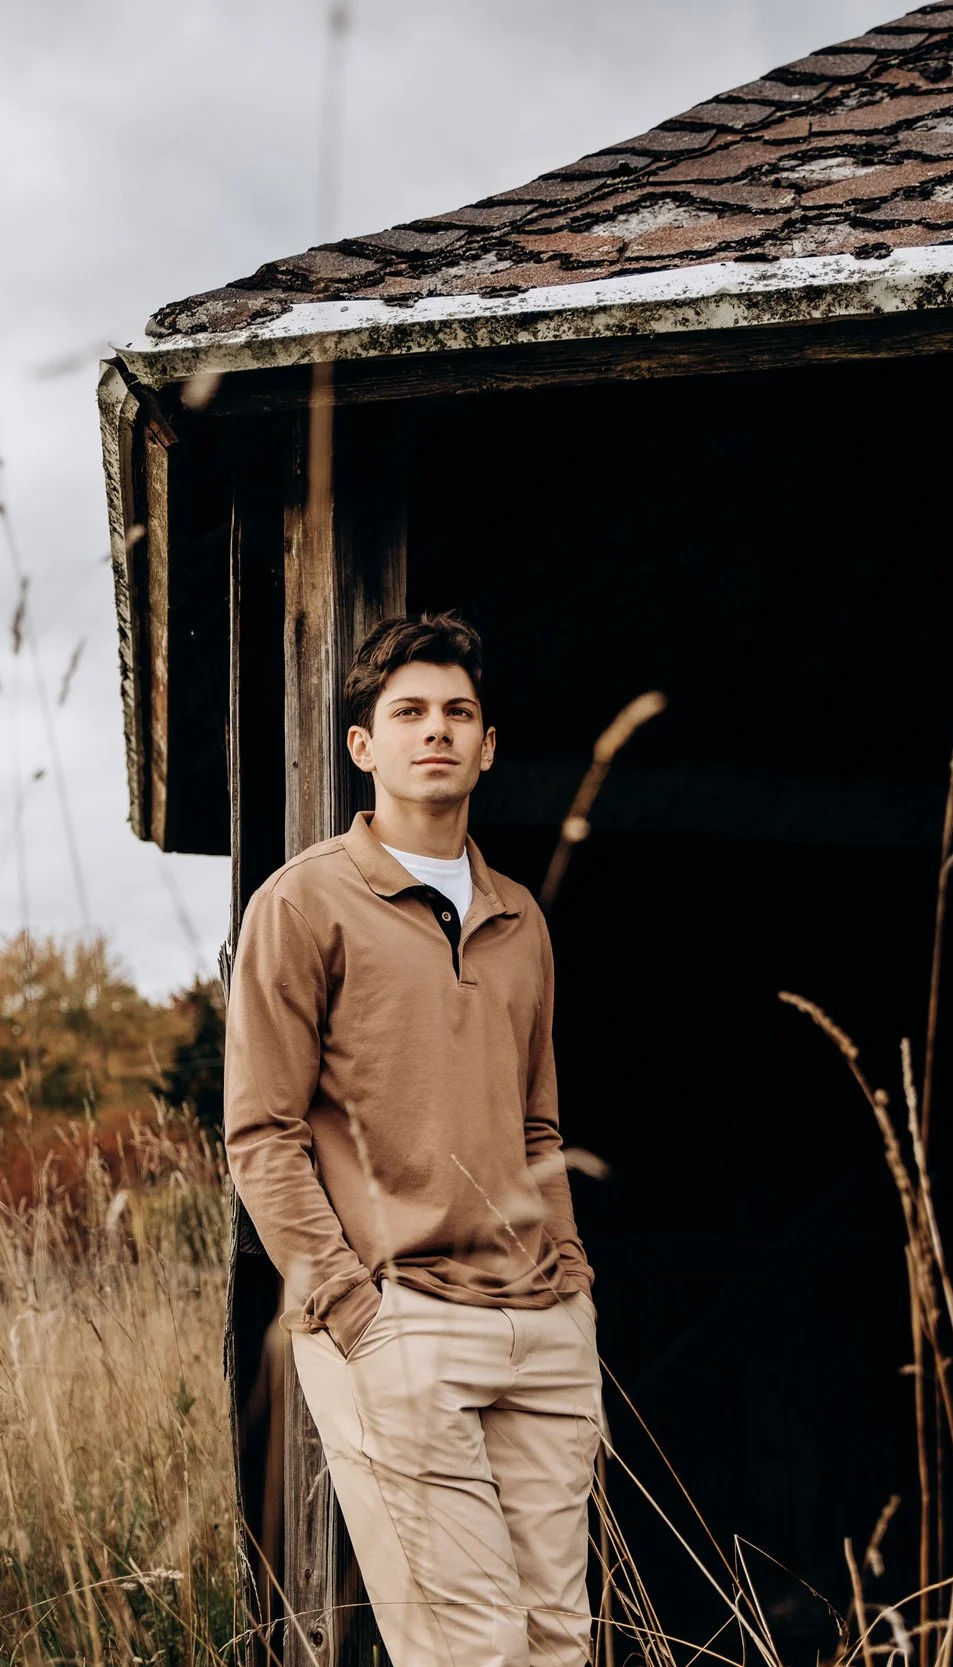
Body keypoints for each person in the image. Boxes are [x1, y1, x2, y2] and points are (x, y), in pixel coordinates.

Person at [225, 611, 603, 1667]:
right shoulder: (303, 904)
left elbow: (537, 1120)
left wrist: (570, 1279)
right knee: (470, 1647)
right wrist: (353, 1307)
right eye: (408, 712)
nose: (434, 730)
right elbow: (260, 1130)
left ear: (486, 744)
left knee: (559, 1641)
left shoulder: (521, 916)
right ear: (363, 745)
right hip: (398, 1321)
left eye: (457, 712)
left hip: (541, 1323)